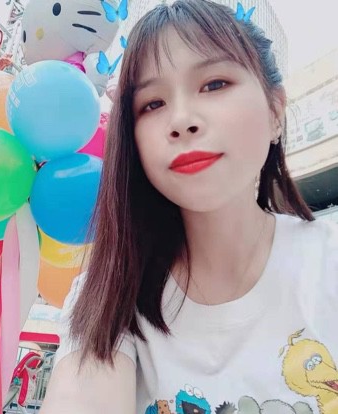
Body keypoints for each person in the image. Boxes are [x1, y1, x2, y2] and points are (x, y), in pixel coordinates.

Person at [40, 1, 338, 413]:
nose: (181, 120)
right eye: (152, 104)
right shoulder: (109, 292)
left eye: (214, 84)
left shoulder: (328, 260)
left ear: (275, 110)